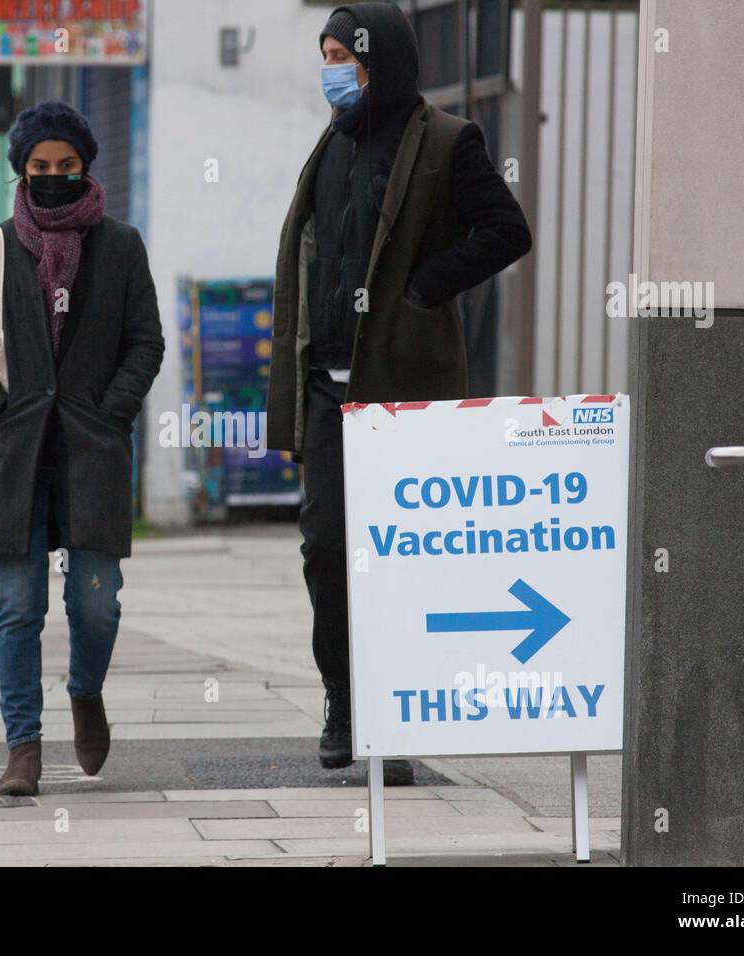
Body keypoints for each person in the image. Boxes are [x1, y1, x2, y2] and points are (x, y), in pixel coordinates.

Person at [265, 4, 533, 782]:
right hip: (327, 385)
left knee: (399, 558)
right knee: (324, 548)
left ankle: (394, 720)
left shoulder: (447, 141)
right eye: (325, 54)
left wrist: (422, 290)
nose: (331, 69)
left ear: (379, 59)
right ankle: (343, 699)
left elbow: (506, 231)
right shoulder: (331, 147)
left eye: (341, 54)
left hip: (402, 389)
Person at [0, 101, 164, 796]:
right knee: (18, 607)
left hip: (93, 449)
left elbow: (146, 342)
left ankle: (84, 690)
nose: (52, 177)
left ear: (85, 167)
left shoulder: (122, 245)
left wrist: (113, 410)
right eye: (39, 168)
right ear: (21, 170)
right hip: (17, 455)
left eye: (65, 167)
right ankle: (23, 746)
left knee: (96, 603)